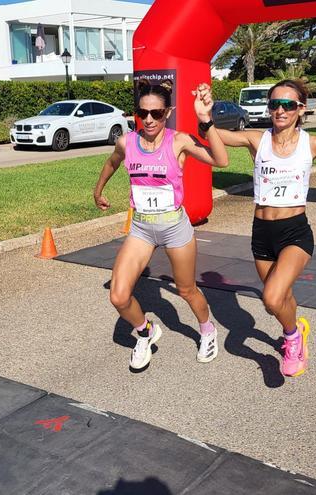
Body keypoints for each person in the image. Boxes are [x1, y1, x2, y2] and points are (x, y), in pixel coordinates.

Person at [217, 79, 316, 377]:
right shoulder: (258, 140)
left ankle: (292, 338)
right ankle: (295, 329)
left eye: (288, 104)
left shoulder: (314, 143)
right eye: (274, 104)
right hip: (261, 233)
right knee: (281, 298)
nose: (280, 110)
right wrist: (204, 116)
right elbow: (216, 136)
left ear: (300, 108)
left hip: (295, 232)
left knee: (271, 299)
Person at [93, 81, 229, 370]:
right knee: (118, 295)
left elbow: (221, 160)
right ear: (137, 114)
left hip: (174, 226)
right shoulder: (126, 142)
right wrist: (98, 190)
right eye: (144, 114)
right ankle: (146, 332)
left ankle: (208, 330)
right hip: (142, 227)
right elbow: (112, 162)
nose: (150, 119)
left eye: (157, 113)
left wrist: (206, 120)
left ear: (168, 112)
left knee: (186, 289)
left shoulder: (178, 140)